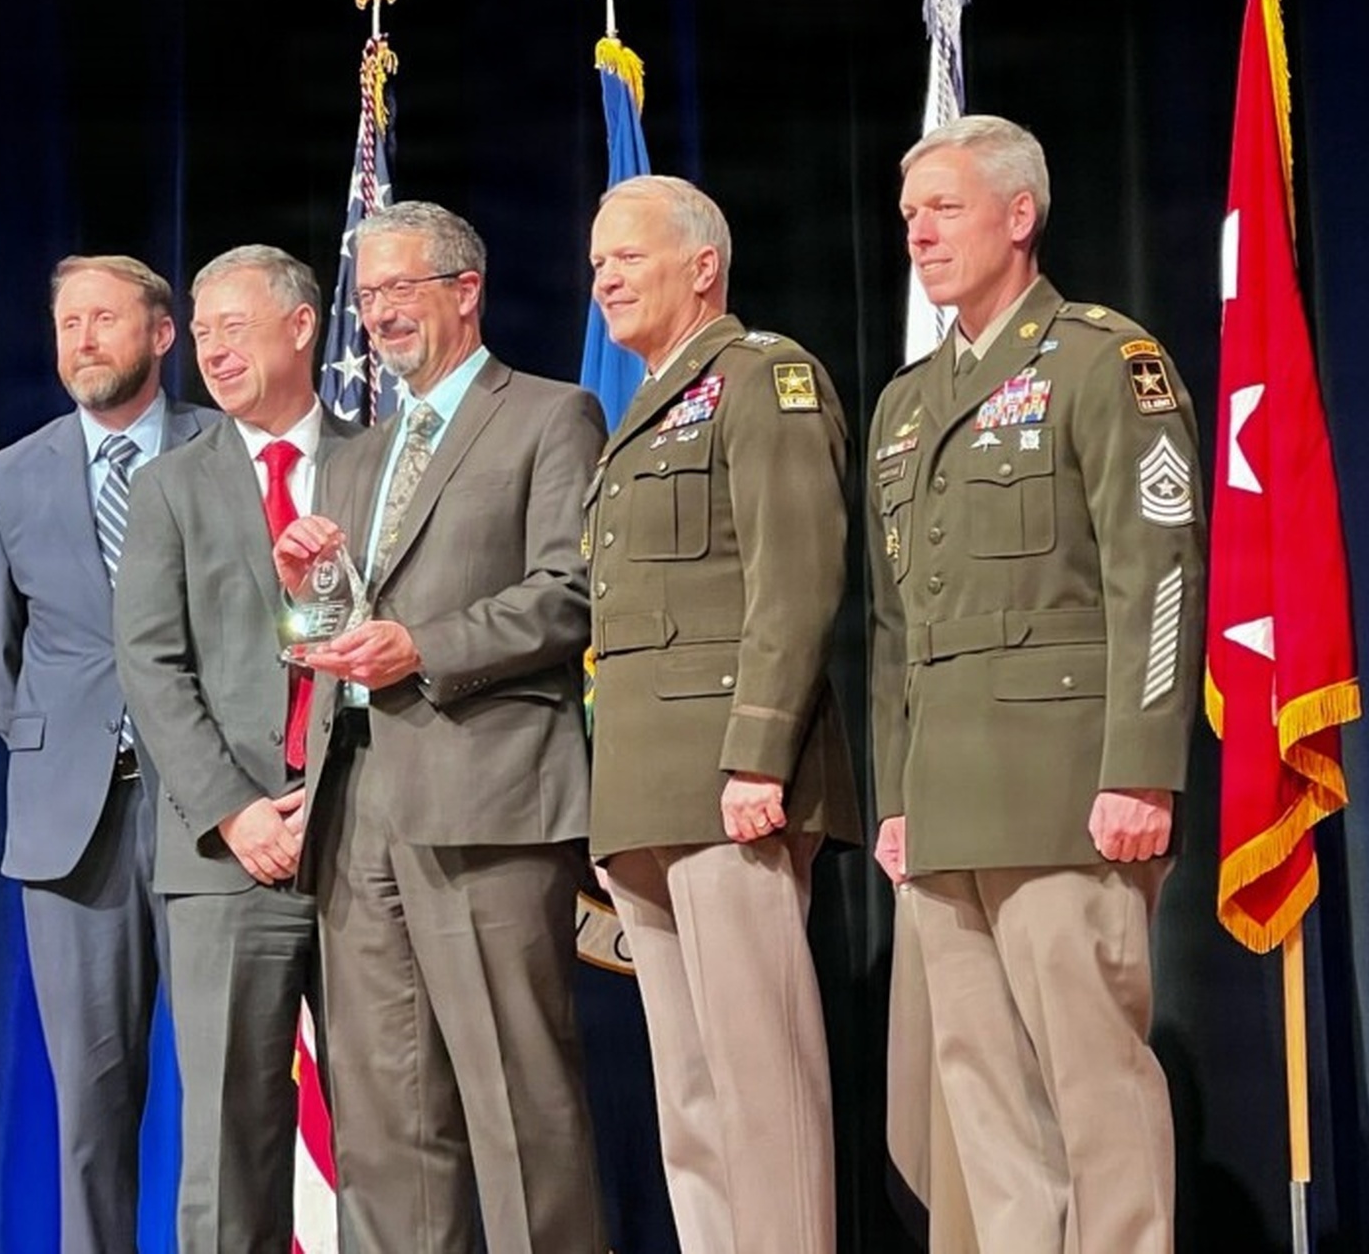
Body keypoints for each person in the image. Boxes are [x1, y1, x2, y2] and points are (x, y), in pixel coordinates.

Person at [867, 114, 1205, 1253]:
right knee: (981, 1101)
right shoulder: (903, 406)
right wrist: (896, 796)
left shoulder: (1104, 360)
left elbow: (1154, 576)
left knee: (1093, 1088)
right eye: (909, 214)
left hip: (1069, 798)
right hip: (947, 805)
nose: (918, 233)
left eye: (944, 208)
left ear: (1020, 217)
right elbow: (890, 626)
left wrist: (1140, 770)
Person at [270, 201, 610, 1254]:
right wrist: (303, 590)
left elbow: (570, 590)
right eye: (365, 296)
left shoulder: (550, 416)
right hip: (358, 797)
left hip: (487, 794)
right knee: (382, 1113)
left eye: (398, 290)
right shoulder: (357, 452)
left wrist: (425, 646)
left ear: (466, 289)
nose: (375, 315)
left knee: (517, 1098)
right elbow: (331, 630)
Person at [582, 174, 859, 1254]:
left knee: (760, 1086)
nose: (603, 276)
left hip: (730, 788)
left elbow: (793, 583)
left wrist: (756, 758)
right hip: (644, 791)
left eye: (627, 256)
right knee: (689, 1099)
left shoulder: (759, 378)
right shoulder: (642, 408)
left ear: (701, 266)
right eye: (596, 259)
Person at [0, 253, 216, 1254]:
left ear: (161, 333)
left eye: (102, 319)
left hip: (211, 812)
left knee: (226, 1083)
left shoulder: (222, 447)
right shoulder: (3, 478)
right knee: (90, 1103)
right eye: (67, 322)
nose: (80, 340)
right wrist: (56, 749)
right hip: (75, 825)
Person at [113, 244, 360, 1254]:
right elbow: (150, 662)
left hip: (364, 846)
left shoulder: (379, 458)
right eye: (200, 330)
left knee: (392, 1129)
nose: (209, 348)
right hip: (226, 860)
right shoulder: (170, 487)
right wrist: (233, 808)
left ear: (301, 326)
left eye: (231, 324)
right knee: (225, 1138)